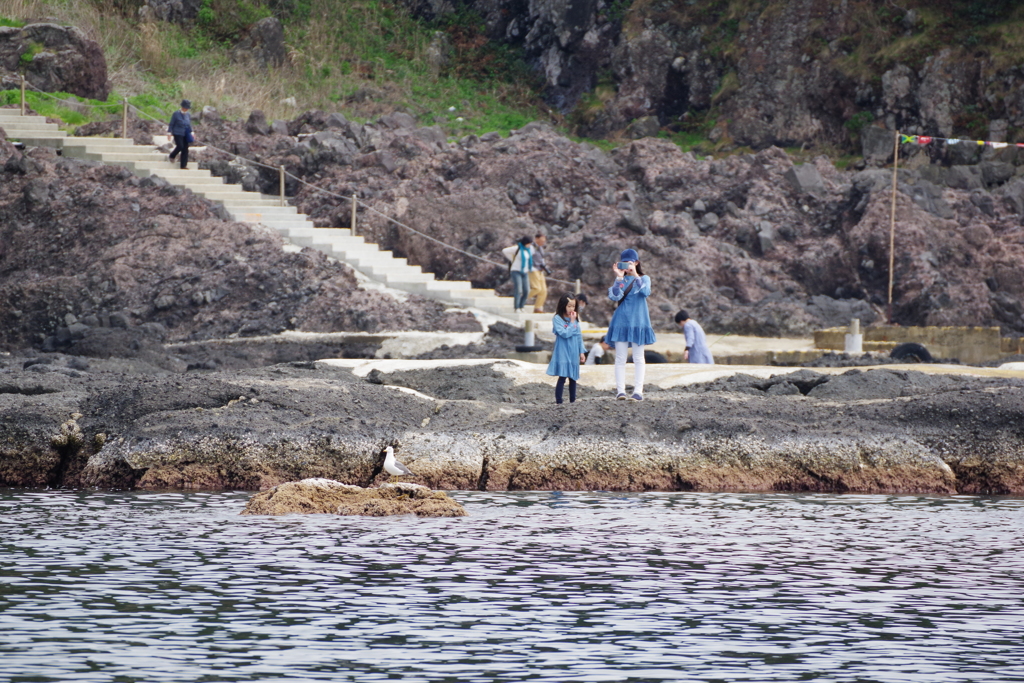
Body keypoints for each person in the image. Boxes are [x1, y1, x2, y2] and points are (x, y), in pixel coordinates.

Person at [606, 248, 655, 400]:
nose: (627, 266)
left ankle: (638, 392)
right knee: (620, 358)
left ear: (636, 263)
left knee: (638, 357)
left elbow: (645, 292)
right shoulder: (621, 280)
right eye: (624, 263)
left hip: (639, 322)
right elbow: (614, 297)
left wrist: (634, 275)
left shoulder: (644, 278)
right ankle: (620, 391)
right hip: (621, 322)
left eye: (630, 262)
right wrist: (619, 278)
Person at [546, 294, 587, 404]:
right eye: (569, 306)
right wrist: (572, 323)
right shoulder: (557, 319)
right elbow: (564, 333)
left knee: (573, 377)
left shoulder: (575, 319)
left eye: (573, 306)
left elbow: (579, 336)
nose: (571, 309)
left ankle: (572, 400)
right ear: (563, 305)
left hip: (574, 350)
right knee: (563, 376)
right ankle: (559, 401)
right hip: (563, 350)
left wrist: (581, 352)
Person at [501, 236, 533, 312]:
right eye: (529, 243)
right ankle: (517, 307)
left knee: (526, 290)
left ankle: (522, 306)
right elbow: (504, 251)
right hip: (516, 270)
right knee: (518, 289)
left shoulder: (528, 250)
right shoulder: (517, 248)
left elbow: (529, 260)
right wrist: (512, 259)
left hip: (524, 272)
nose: (530, 245)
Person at [528, 233, 551, 313]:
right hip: (533, 269)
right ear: (536, 239)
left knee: (543, 290)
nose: (543, 242)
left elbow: (542, 258)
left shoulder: (541, 248)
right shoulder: (531, 247)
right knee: (536, 288)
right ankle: (523, 297)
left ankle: (538, 307)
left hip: (540, 270)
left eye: (544, 241)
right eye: (541, 240)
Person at [168, 99, 193, 170]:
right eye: (185, 108)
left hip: (185, 133)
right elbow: (171, 124)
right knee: (180, 146)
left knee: (185, 149)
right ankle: (172, 155)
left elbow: (189, 124)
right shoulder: (176, 114)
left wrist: (192, 132)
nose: (186, 109)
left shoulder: (188, 114)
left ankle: (183, 165)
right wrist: (169, 132)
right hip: (177, 132)